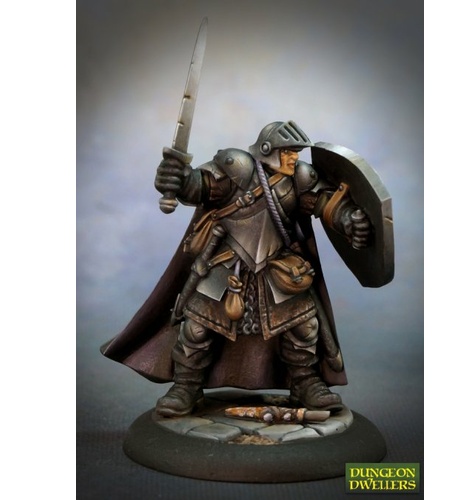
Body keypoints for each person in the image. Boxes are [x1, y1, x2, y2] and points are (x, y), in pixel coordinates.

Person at [101, 120, 373, 418]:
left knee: (304, 327)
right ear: (267, 150)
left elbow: (325, 203)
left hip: (278, 267)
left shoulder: (299, 177)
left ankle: (305, 382)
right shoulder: (238, 167)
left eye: (296, 152)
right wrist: (178, 179)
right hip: (226, 264)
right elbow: (199, 188)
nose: (294, 157)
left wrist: (349, 219)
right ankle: (186, 386)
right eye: (288, 152)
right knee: (196, 327)